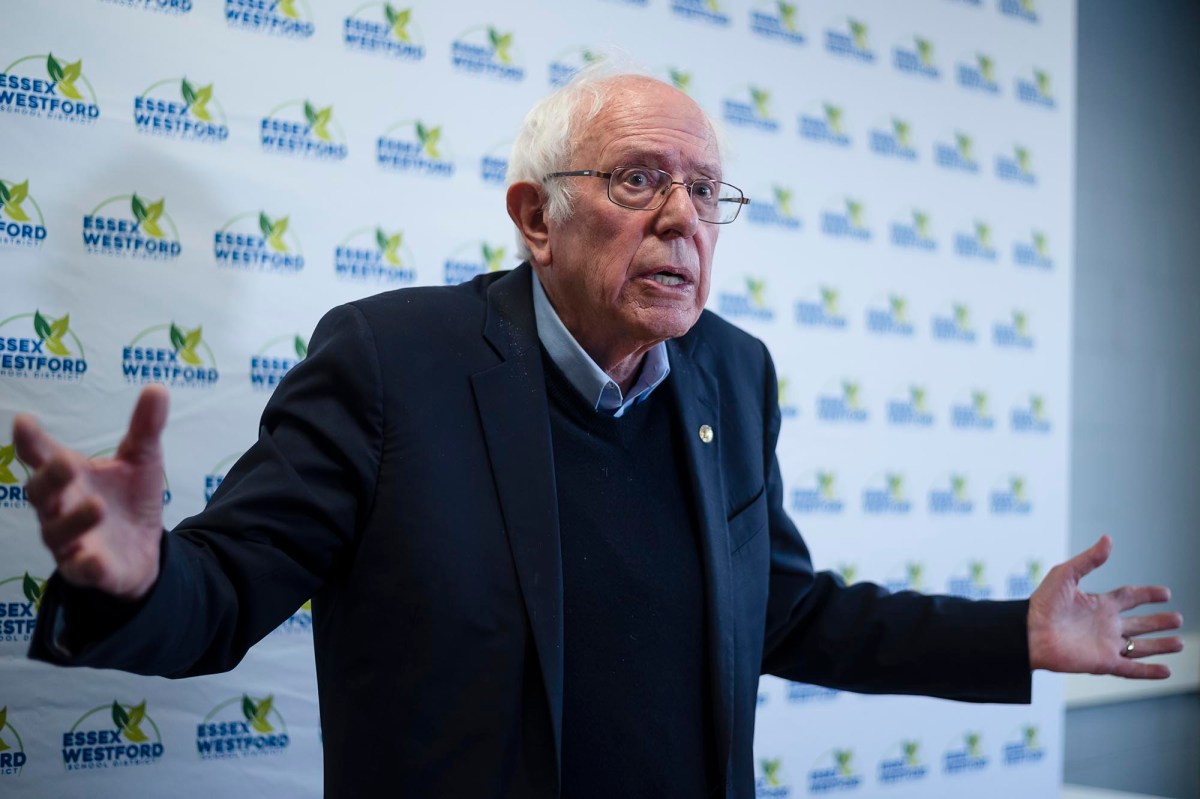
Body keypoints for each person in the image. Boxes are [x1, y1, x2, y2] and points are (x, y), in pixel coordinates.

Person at [14, 69, 1183, 798]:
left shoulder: (733, 370)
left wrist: (1012, 637)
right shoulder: (389, 363)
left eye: (706, 190)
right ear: (536, 216)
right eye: (638, 180)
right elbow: (224, 592)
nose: (684, 217)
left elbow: (782, 607)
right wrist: (137, 578)